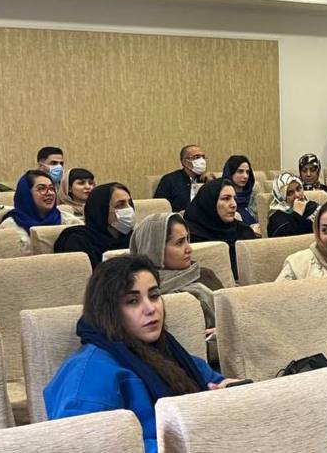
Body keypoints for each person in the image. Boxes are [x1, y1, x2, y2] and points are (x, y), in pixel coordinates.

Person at [44, 255, 239, 453]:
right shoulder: (88, 374)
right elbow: (85, 446)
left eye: (154, 296)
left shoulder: (166, 350)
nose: (150, 308)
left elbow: (211, 380)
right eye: (132, 301)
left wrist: (227, 390)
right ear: (109, 311)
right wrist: (184, 444)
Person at [129, 212, 224, 328]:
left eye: (187, 240)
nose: (189, 249)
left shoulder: (204, 275)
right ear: (155, 249)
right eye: (179, 243)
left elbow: (232, 317)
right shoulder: (136, 291)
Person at [182, 179, 257, 278]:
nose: (234, 204)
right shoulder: (189, 236)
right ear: (209, 202)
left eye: (234, 198)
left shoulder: (244, 231)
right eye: (226, 199)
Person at [0, 170, 82, 255]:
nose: (49, 193)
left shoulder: (70, 221)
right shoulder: (9, 227)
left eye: (51, 188)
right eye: (42, 189)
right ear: (26, 194)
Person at [55, 183, 135, 268]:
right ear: (101, 210)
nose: (129, 209)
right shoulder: (78, 241)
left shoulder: (134, 237)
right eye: (120, 205)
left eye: (130, 204)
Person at [154, 144, 209, 212]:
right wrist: (177, 214)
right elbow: (159, 208)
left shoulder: (207, 179)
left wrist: (212, 183)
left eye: (203, 157)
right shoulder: (169, 180)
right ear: (185, 162)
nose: (202, 160)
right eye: (197, 157)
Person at [267, 172, 320, 238]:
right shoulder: (276, 219)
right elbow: (288, 241)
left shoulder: (311, 206)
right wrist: (297, 214)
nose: (297, 195)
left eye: (298, 189)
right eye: (290, 193)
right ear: (281, 197)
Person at [220, 156, 259, 230]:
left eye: (247, 172)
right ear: (230, 173)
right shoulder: (221, 195)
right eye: (240, 171)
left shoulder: (254, 194)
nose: (245, 176)